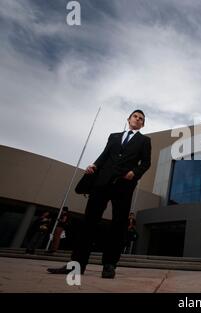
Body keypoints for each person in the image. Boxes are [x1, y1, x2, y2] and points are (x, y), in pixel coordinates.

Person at [47, 110, 151, 278]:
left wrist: (135, 172)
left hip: (124, 185)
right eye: (135, 116)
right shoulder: (114, 136)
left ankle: (109, 265)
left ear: (143, 124)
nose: (138, 120)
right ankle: (76, 265)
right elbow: (104, 155)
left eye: (141, 119)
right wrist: (94, 165)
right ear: (129, 119)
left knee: (118, 225)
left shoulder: (145, 140)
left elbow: (146, 162)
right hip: (102, 183)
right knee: (89, 222)